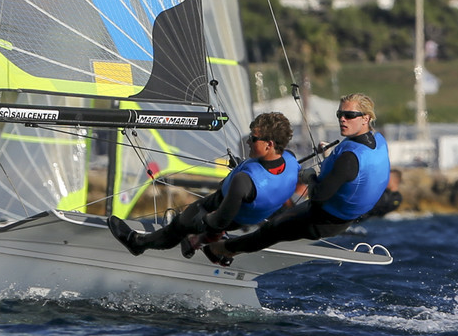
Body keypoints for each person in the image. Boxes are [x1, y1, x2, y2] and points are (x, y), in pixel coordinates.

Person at [198, 93, 391, 266]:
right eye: (339, 114)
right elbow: (357, 172)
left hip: (324, 219)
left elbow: (319, 195)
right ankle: (224, 237)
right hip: (341, 216)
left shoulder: (348, 159)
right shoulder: (376, 140)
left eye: (349, 115)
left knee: (271, 229)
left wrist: (310, 176)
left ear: (366, 118)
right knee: (274, 218)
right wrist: (330, 156)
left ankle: (219, 250)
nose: (342, 119)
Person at [107, 112, 297, 258]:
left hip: (213, 212)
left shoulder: (244, 181)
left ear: (269, 145)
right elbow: (271, 178)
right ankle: (195, 242)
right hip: (247, 218)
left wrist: (200, 236)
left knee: (179, 225)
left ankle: (138, 243)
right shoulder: (290, 161)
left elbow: (220, 221)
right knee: (202, 225)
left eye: (253, 138)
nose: (248, 141)